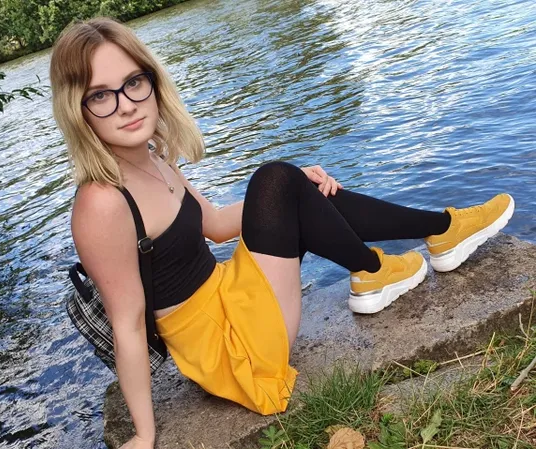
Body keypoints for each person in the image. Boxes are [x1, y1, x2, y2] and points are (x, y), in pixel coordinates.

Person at [49, 17, 515, 449]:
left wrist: (296, 189)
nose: (126, 105)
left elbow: (215, 226)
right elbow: (128, 323)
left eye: (133, 82)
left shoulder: (153, 158)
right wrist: (143, 434)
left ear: (152, 81)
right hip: (231, 347)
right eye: (101, 95)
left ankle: (431, 237)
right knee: (275, 178)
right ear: (78, 109)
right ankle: (392, 257)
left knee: (287, 182)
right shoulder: (101, 204)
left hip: (230, 296)